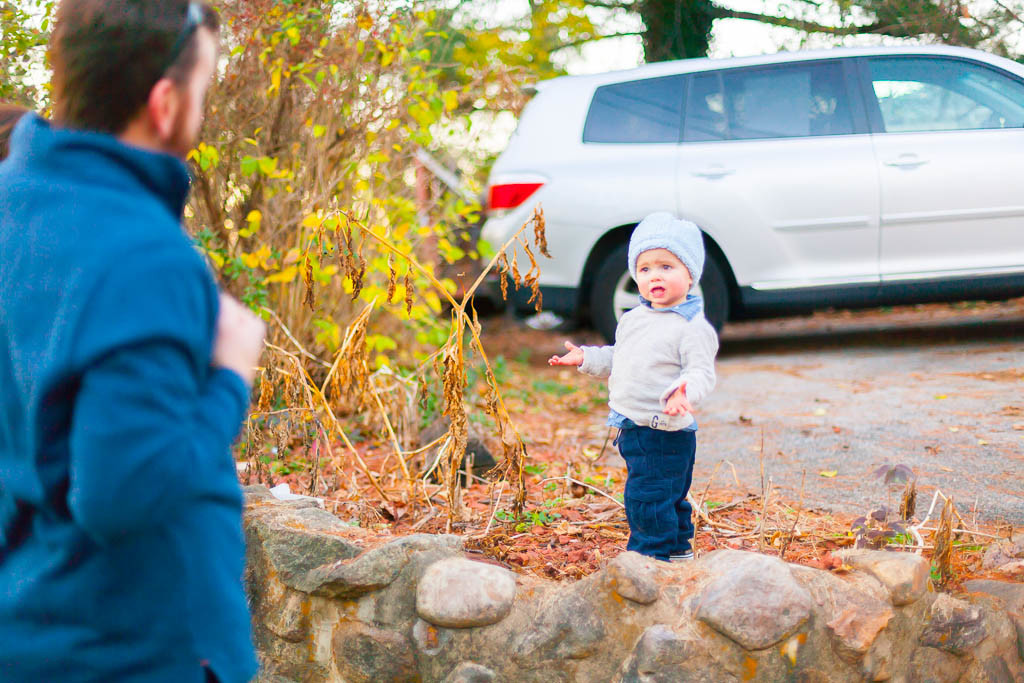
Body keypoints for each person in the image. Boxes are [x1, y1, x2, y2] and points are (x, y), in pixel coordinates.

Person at [0, 2, 265, 681]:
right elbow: (124, 492)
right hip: (136, 647)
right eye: (204, 91)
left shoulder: (13, 206)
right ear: (166, 103)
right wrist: (231, 375)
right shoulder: (143, 256)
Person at [549, 212, 718, 563]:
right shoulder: (634, 318)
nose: (654, 275)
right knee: (666, 493)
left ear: (690, 274)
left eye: (667, 266)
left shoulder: (690, 327)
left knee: (648, 496)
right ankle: (676, 550)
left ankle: (649, 558)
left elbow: (701, 371)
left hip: (662, 430)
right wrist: (585, 358)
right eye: (645, 268)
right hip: (633, 425)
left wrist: (684, 390)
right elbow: (620, 356)